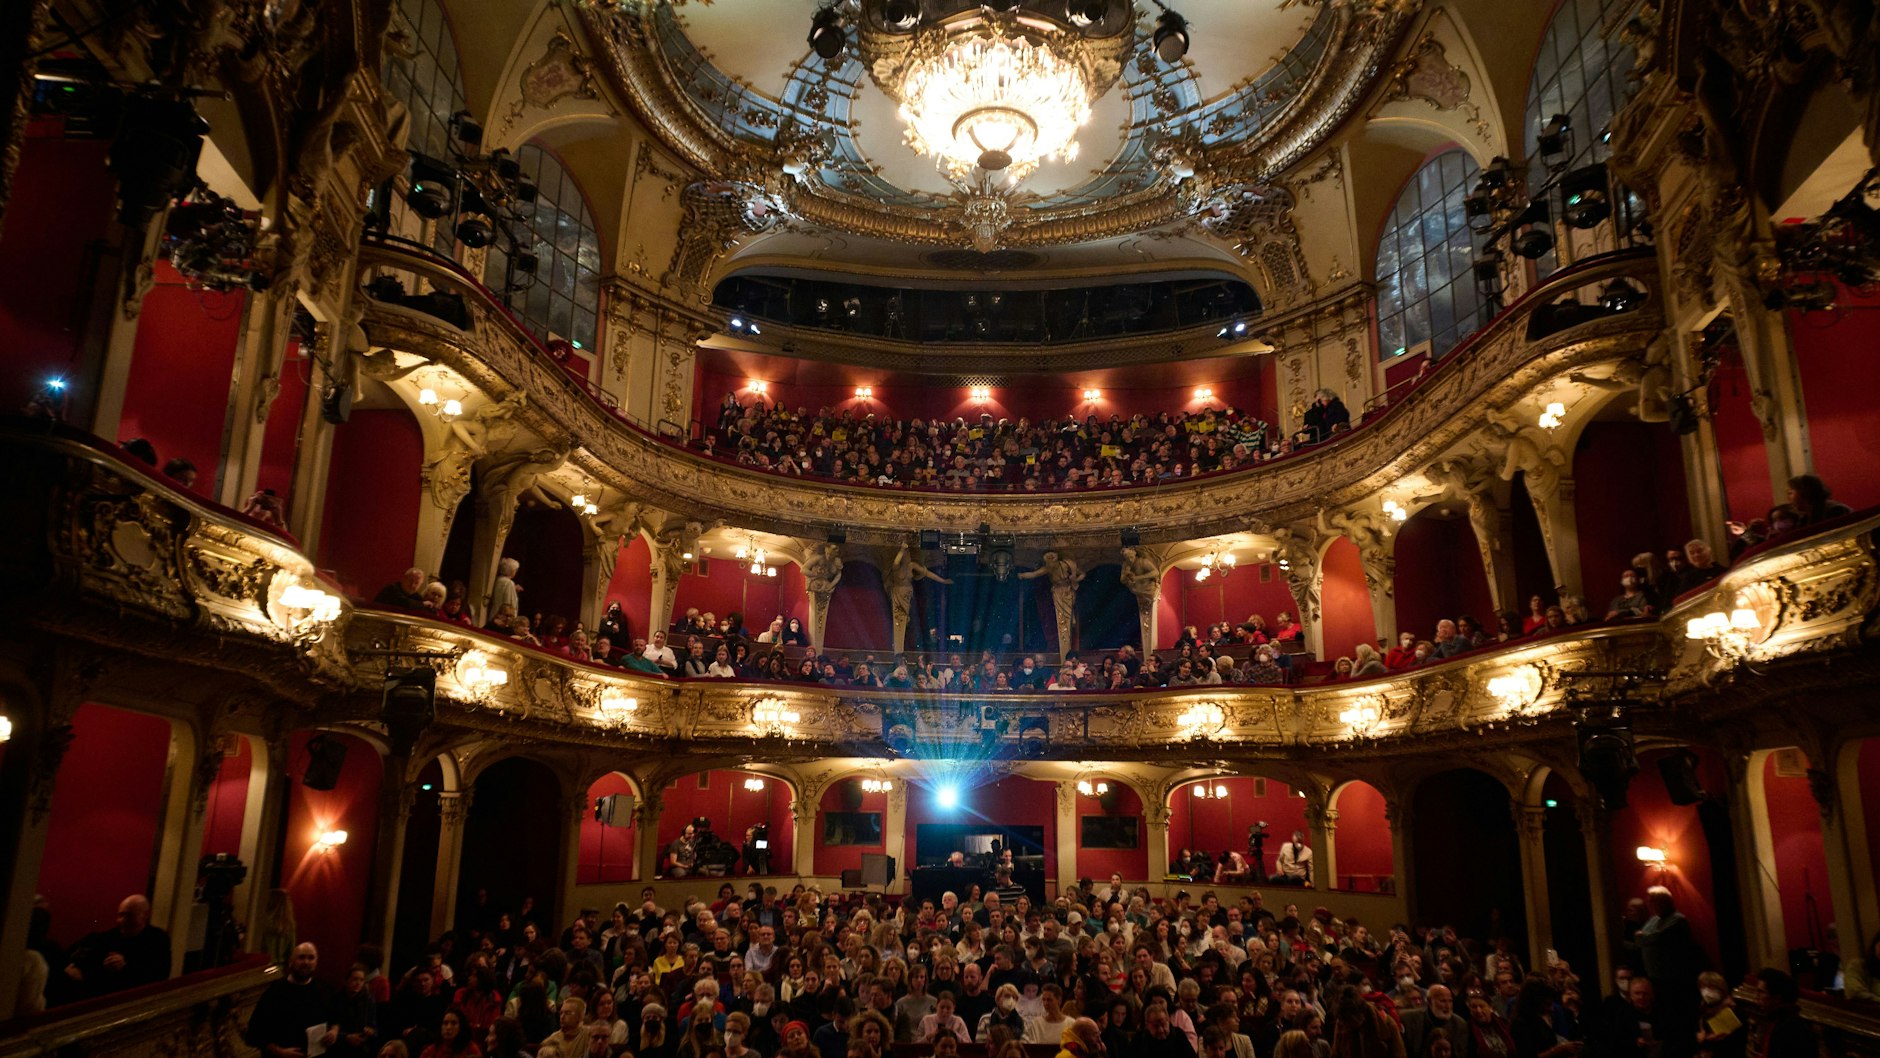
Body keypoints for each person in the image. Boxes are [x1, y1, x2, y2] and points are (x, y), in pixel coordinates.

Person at [61, 894, 173, 999]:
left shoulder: (158, 939)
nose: (123, 920)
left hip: (137, 1000)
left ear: (145, 915)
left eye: (129, 915)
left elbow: (160, 974)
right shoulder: (106, 938)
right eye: (120, 915)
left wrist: (126, 967)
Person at [247, 943, 341, 1058]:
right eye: (301, 957)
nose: (306, 962)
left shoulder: (325, 990)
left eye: (311, 958)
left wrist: (334, 1032)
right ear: (291, 961)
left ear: (316, 962)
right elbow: (255, 1033)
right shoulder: (275, 992)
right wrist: (280, 1052)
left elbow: (336, 1018)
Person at [1401, 985, 1466, 1058]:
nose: (1448, 1006)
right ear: (1429, 1001)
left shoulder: (1459, 1025)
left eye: (1450, 1001)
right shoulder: (1408, 1020)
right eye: (1443, 1001)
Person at [1786, 474, 1851, 526]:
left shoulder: (1836, 510)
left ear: (1805, 491)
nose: (1788, 498)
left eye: (1790, 493)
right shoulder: (1804, 519)